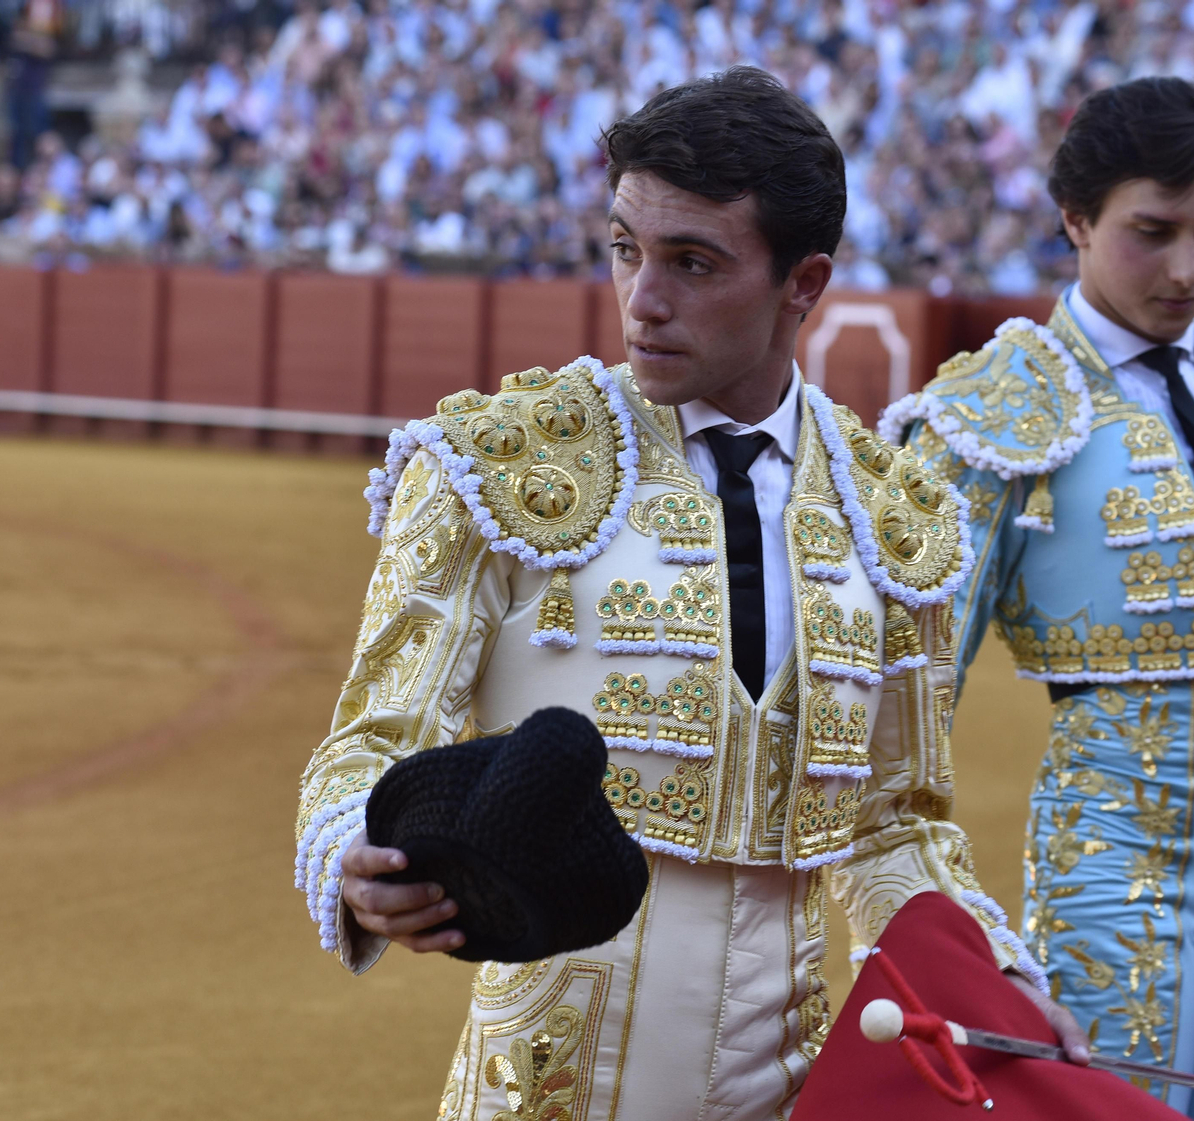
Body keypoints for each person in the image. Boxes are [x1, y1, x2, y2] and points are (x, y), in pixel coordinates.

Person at [293, 67, 1082, 1121]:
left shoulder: (893, 512)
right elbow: (368, 741)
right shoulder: (499, 464)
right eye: (625, 247)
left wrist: (998, 982)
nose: (640, 299)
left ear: (802, 283)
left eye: (690, 262)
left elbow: (895, 826)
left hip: (785, 1087)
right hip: (543, 1089)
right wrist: (356, 850)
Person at [885, 78, 1194, 1120]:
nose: (1187, 269)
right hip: (1112, 870)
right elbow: (906, 686)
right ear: (1074, 219)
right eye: (1151, 232)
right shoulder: (996, 410)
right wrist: (967, 918)